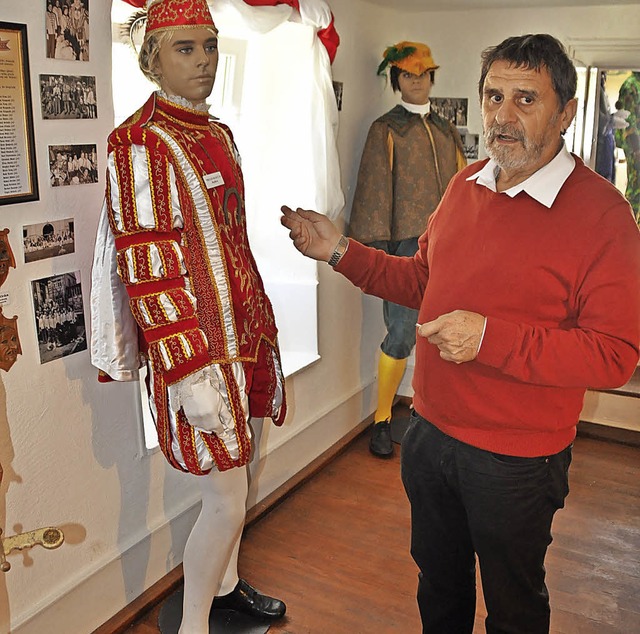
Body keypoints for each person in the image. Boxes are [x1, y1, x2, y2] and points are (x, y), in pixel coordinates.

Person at [281, 33, 640, 633]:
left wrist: (490, 339)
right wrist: (338, 250)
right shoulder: (465, 184)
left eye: (526, 100)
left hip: (518, 461)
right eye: (493, 96)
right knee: (438, 588)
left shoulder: (603, 215)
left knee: (514, 606)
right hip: (429, 437)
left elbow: (613, 356)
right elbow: (421, 280)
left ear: (568, 112)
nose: (502, 115)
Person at [90, 0, 287, 632]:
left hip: (247, 330)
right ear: (152, 57)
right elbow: (149, 266)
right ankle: (194, 623)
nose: (203, 61)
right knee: (226, 500)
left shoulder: (218, 132)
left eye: (209, 46)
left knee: (244, 472)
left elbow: (230, 238)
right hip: (200, 349)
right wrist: (187, 370)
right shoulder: (138, 143)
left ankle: (226, 589)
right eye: (185, 48)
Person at [348, 41, 465, 458]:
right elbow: (375, 189)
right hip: (402, 248)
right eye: (408, 75)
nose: (417, 81)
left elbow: (463, 189)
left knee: (446, 333)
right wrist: (376, 255)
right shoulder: (386, 129)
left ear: (432, 77)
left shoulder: (446, 130)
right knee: (399, 333)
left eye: (423, 74)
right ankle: (381, 420)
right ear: (397, 80)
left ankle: (432, 417)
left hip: (448, 248)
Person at [617, 71, 640, 224]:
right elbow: (627, 120)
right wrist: (636, 148)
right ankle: (628, 226)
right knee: (636, 186)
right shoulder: (631, 85)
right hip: (636, 146)